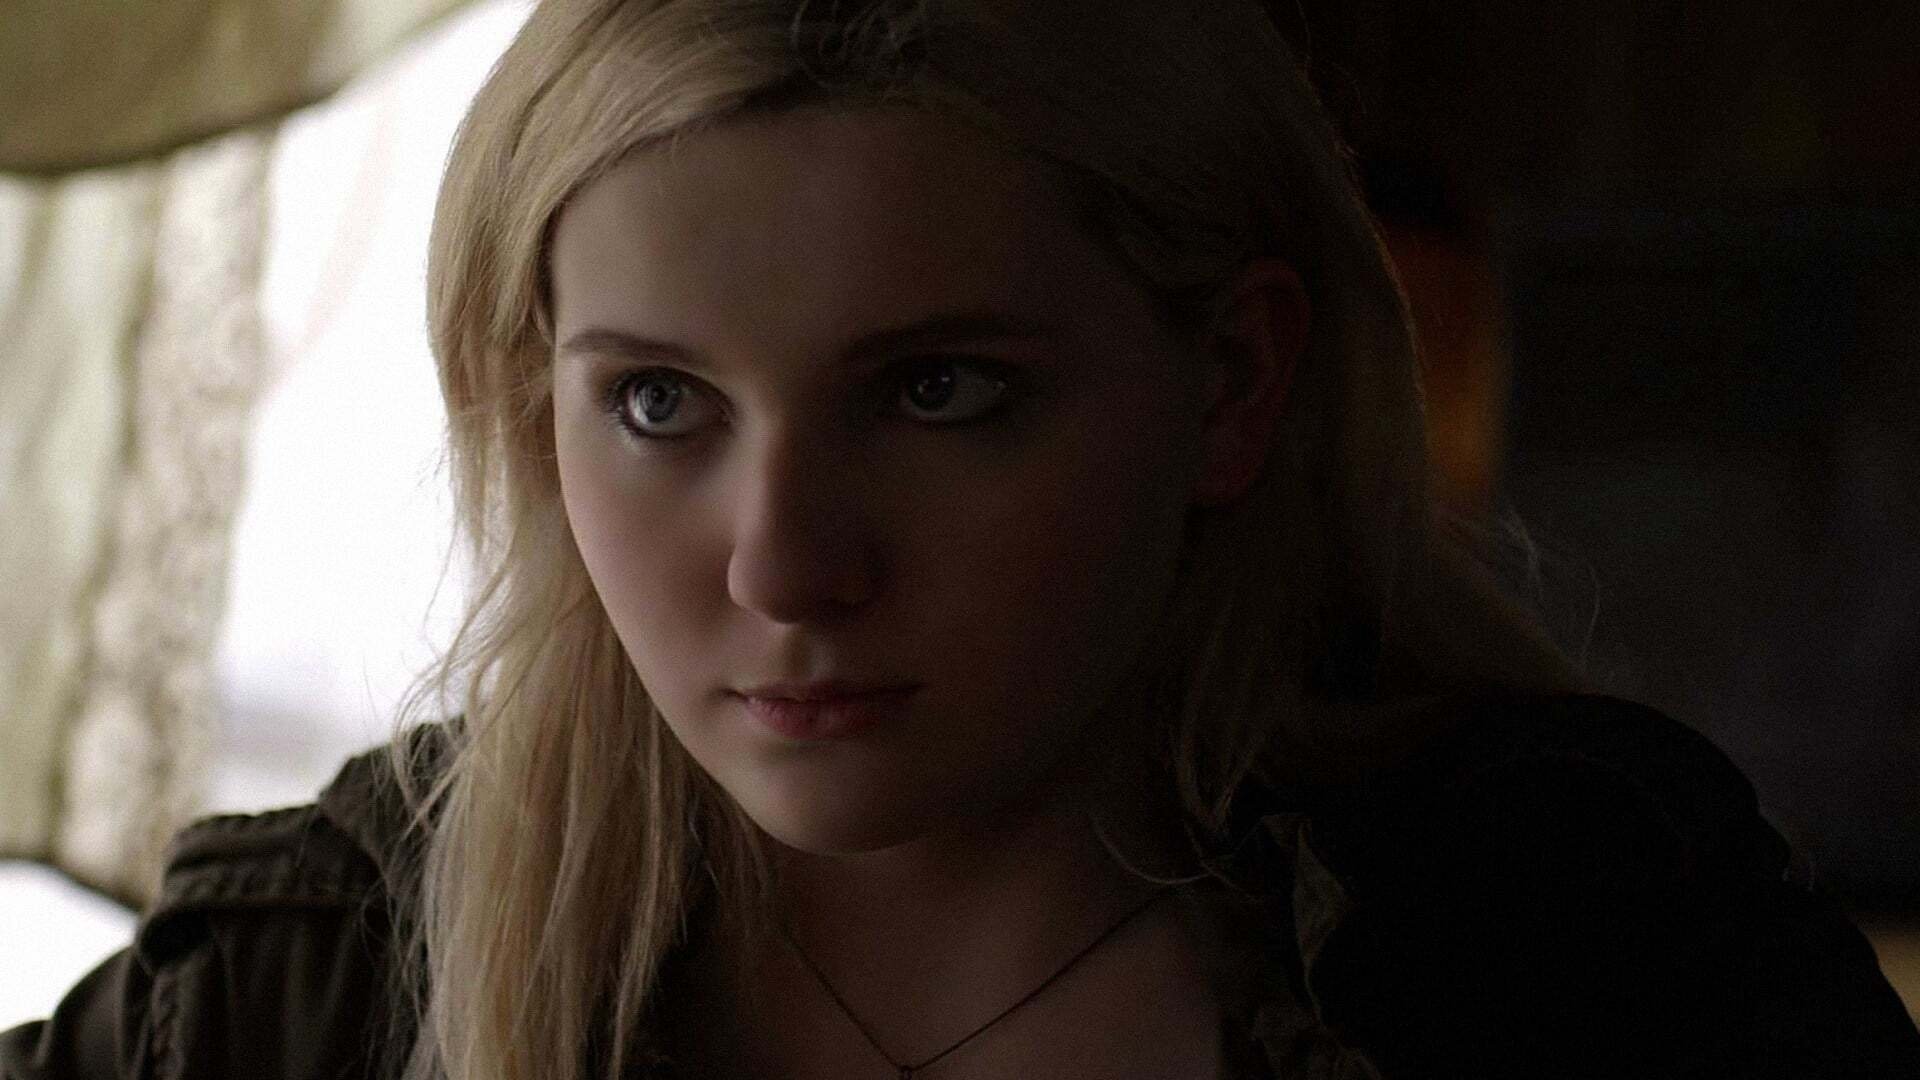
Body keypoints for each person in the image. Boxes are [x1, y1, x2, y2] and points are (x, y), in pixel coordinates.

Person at [6, 1, 1918, 1078]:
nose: (784, 568)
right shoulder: (319, 984)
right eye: (658, 405)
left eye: (936, 393)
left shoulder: (1591, 952)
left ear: (1230, 384)